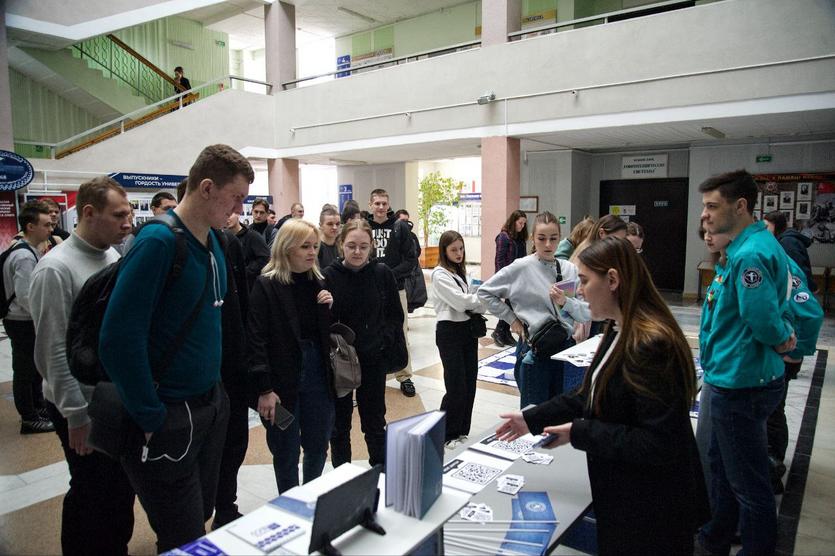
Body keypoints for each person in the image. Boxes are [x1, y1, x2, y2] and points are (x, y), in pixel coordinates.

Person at [496, 236, 709, 555]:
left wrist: (579, 431)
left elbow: (657, 443)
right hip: (627, 496)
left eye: (583, 280)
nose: (578, 290)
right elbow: (589, 393)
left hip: (653, 508)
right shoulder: (617, 327)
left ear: (612, 279)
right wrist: (531, 418)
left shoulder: (651, 344)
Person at [99, 145, 253, 552]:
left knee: (198, 512)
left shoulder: (215, 243)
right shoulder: (158, 243)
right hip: (167, 411)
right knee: (184, 532)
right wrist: (150, 414)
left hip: (208, 405)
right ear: (206, 188)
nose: (241, 208)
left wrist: (221, 397)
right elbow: (118, 338)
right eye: (236, 197)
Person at [29, 176, 136, 556]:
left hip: (110, 399)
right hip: (80, 406)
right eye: (119, 215)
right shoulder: (55, 270)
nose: (128, 223)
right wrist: (75, 414)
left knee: (118, 488)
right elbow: (52, 351)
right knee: (91, 491)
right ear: (89, 213)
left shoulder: (111, 255)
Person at [697, 169, 795, 556]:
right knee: (721, 468)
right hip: (734, 375)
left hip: (741, 383)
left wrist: (783, 337)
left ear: (740, 207)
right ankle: (715, 537)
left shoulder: (751, 253)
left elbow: (763, 319)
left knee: (749, 484)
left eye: (711, 206)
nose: (704, 215)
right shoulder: (743, 248)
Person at [248, 219, 335, 493]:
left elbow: (326, 333)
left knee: (318, 443)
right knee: (285, 450)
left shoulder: (318, 281)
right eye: (305, 247)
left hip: (318, 377)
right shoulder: (267, 285)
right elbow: (256, 339)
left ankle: (310, 497)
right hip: (281, 382)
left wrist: (329, 307)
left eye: (315, 246)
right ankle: (290, 505)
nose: (312, 252)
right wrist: (264, 388)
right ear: (286, 249)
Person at [478, 211, 590, 408]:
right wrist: (512, 319)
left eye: (553, 239)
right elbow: (485, 292)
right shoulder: (521, 267)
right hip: (534, 347)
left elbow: (585, 312)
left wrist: (566, 302)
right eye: (542, 238)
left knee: (559, 413)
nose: (548, 244)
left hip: (564, 348)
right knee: (534, 417)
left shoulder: (569, 269)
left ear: (560, 238)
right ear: (532, 238)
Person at [324, 219, 403, 467]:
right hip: (341, 364)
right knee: (340, 424)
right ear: (341, 245)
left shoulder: (381, 274)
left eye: (363, 246)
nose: (357, 252)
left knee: (374, 420)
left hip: (372, 359)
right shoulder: (328, 276)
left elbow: (394, 315)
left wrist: (383, 341)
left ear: (371, 247)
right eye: (351, 246)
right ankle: (342, 478)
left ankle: (380, 471)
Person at [3, 201, 55, 433]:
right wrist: (43, 317)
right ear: (31, 226)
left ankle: (37, 407)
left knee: (33, 368)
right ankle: (29, 417)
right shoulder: (24, 256)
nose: (50, 229)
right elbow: (26, 296)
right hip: (22, 321)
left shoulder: (27, 251)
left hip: (23, 319)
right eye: (46, 224)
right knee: (24, 370)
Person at [431, 230, 486, 448]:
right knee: (456, 387)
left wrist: (477, 299)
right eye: (453, 250)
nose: (459, 253)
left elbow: (471, 298)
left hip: (467, 331)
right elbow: (461, 302)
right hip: (449, 332)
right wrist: (482, 301)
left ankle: (462, 430)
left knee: (469, 383)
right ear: (444, 251)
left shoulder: (460, 272)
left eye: (461, 249)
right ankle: (445, 434)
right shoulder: (439, 274)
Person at [367, 189, 418, 397]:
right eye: (377, 203)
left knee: (400, 331)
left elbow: (411, 260)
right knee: (369, 332)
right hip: (368, 290)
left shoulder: (400, 228)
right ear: (370, 205)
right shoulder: (364, 227)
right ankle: (368, 374)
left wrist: (388, 274)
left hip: (395, 289)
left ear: (388, 205)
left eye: (384, 203)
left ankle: (405, 376)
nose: (380, 207)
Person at [492, 210, 528, 347]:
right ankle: (499, 330)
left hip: (518, 276)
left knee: (512, 303)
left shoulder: (519, 238)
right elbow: (499, 260)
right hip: (507, 276)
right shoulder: (503, 237)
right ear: (513, 222)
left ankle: (504, 331)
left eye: (524, 224)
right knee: (509, 303)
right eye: (520, 223)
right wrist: (502, 278)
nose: (522, 226)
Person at [763, 210, 816, 291]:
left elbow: (798, 268)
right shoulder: (783, 239)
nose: (765, 230)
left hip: (799, 290)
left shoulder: (788, 242)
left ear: (777, 225)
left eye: (767, 226)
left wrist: (811, 287)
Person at [226, 212, 271, 292]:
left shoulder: (252, 236)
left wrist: (244, 271)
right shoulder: (220, 237)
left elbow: (264, 258)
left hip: (250, 286)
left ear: (238, 214)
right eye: (225, 214)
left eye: (230, 214)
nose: (227, 218)